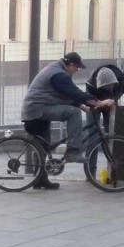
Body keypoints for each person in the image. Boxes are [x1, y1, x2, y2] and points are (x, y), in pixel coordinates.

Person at [20, 52, 115, 190]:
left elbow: (65, 94)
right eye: (77, 68)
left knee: (42, 146)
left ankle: (40, 180)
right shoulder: (59, 74)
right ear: (70, 65)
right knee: (73, 113)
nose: (77, 71)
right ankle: (73, 151)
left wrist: (84, 106)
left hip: (36, 109)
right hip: (38, 109)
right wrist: (100, 103)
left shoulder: (56, 69)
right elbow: (74, 92)